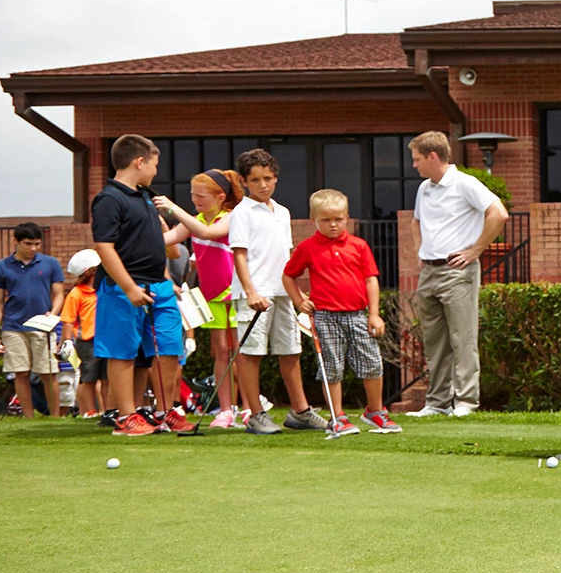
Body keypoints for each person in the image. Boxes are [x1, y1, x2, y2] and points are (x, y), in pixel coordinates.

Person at [90, 136, 194, 436]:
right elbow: (105, 247)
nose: (154, 171)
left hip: (159, 287)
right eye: (154, 164)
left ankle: (165, 412)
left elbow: (155, 244)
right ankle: (126, 417)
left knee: (169, 348)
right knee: (122, 352)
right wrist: (129, 288)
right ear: (139, 161)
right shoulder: (109, 199)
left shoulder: (145, 197)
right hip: (123, 288)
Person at [281, 189, 401, 436]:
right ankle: (338, 417)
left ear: (347, 217)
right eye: (326, 220)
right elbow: (289, 275)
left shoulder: (359, 246)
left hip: (358, 313)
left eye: (338, 219)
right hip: (325, 316)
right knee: (331, 367)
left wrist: (374, 313)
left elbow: (371, 280)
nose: (333, 225)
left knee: (372, 363)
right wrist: (298, 301)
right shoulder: (307, 247)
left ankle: (375, 411)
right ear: (314, 219)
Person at [407, 131, 507, 418]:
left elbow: (498, 213)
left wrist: (475, 251)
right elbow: (416, 222)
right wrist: (420, 252)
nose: (414, 165)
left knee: (462, 337)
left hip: (457, 271)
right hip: (430, 271)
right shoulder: (424, 188)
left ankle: (465, 402)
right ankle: (436, 403)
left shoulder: (465, 183)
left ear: (433, 156)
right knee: (433, 340)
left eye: (417, 159)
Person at [227, 148, 322, 435]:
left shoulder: (282, 212)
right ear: (245, 181)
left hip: (282, 293)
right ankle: (255, 413)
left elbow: (288, 258)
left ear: (276, 178)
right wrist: (251, 291)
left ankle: (301, 411)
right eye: (255, 180)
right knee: (251, 354)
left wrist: (297, 294)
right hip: (254, 296)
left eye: (268, 178)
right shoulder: (242, 212)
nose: (263, 185)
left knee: (291, 350)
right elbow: (239, 255)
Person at [157, 169, 245, 428]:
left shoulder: (231, 217)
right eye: (192, 196)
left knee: (241, 354)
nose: (195, 201)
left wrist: (173, 209)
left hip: (235, 294)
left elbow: (209, 233)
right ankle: (226, 410)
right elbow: (168, 239)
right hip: (212, 296)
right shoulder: (194, 221)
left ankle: (251, 408)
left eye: (201, 196)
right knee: (220, 351)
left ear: (220, 196)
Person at [0, 222, 67, 419]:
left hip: (42, 325)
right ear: (16, 241)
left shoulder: (50, 263)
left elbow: (59, 294)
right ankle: (28, 417)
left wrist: (54, 313)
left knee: (48, 373)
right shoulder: (1, 267)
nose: (33, 248)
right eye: (28, 243)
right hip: (13, 326)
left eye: (37, 244)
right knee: (20, 373)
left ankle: (56, 417)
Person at [59, 250, 103, 417]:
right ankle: (89, 411)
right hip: (87, 342)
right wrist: (66, 341)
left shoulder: (103, 289)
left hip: (104, 338)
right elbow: (68, 319)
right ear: (90, 271)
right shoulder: (76, 294)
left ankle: (106, 411)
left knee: (105, 378)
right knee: (89, 378)